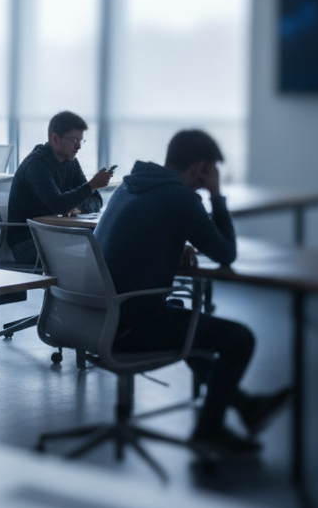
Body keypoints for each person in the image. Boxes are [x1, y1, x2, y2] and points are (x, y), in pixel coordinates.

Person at [94, 129, 291, 457]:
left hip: (94, 318)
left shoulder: (130, 185)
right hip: (128, 329)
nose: (208, 179)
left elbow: (139, 237)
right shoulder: (180, 198)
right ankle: (209, 432)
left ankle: (246, 406)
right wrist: (216, 194)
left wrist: (172, 246)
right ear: (201, 168)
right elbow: (225, 253)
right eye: (210, 172)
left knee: (184, 320)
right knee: (239, 339)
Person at [7, 111, 113, 266]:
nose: (78, 147)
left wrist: (79, 209)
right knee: (95, 248)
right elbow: (57, 204)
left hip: (54, 233)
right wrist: (92, 185)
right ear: (55, 139)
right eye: (73, 140)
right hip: (28, 242)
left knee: (102, 241)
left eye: (81, 141)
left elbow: (96, 199)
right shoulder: (36, 164)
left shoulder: (71, 162)